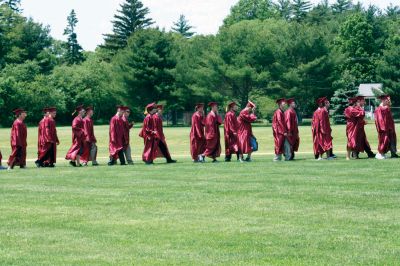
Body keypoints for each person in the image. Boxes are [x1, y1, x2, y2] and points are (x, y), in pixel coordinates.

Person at [375, 95, 398, 160]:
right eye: (387, 100)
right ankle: (380, 153)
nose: (389, 101)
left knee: (392, 140)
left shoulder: (386, 107)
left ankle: (393, 153)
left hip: (390, 127)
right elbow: (380, 119)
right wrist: (383, 128)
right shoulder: (380, 109)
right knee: (384, 140)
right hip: (384, 129)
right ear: (383, 100)